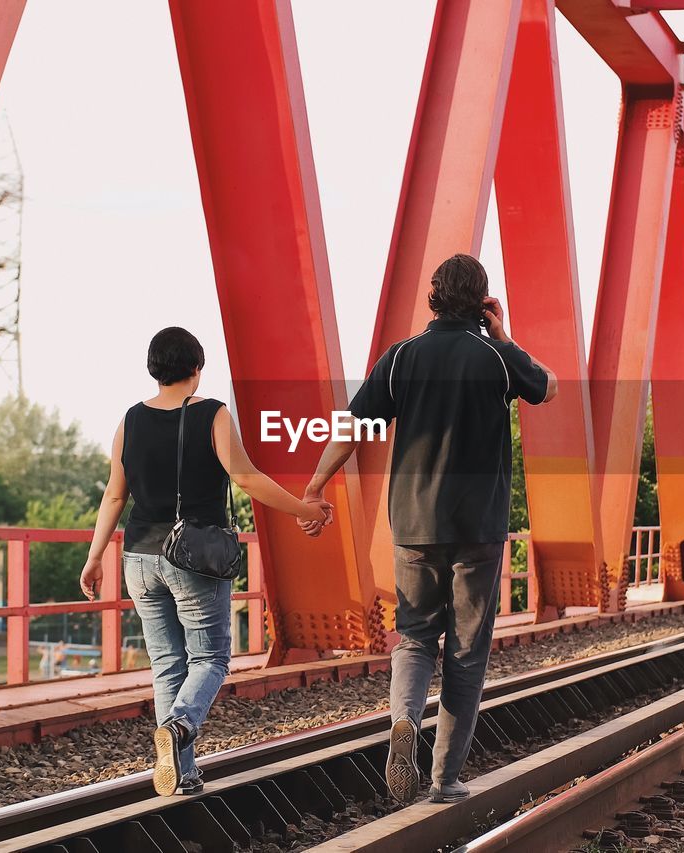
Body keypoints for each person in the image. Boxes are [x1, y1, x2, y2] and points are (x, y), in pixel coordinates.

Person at [301, 254, 557, 804]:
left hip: (414, 526)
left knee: (415, 637)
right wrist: (505, 336)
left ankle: (404, 721)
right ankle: (444, 780)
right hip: (479, 529)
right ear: (483, 304)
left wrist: (316, 485)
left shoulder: (401, 359)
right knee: (466, 651)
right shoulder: (497, 358)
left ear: (433, 297)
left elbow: (351, 426)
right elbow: (548, 387)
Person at [80, 326, 333, 797]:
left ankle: (182, 772)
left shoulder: (129, 420)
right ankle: (179, 726)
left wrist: (95, 556)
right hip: (192, 557)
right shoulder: (212, 414)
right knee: (212, 658)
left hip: (137, 557)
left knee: (167, 665)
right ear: (196, 369)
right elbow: (247, 478)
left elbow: (115, 495)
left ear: (154, 369)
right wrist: (304, 510)